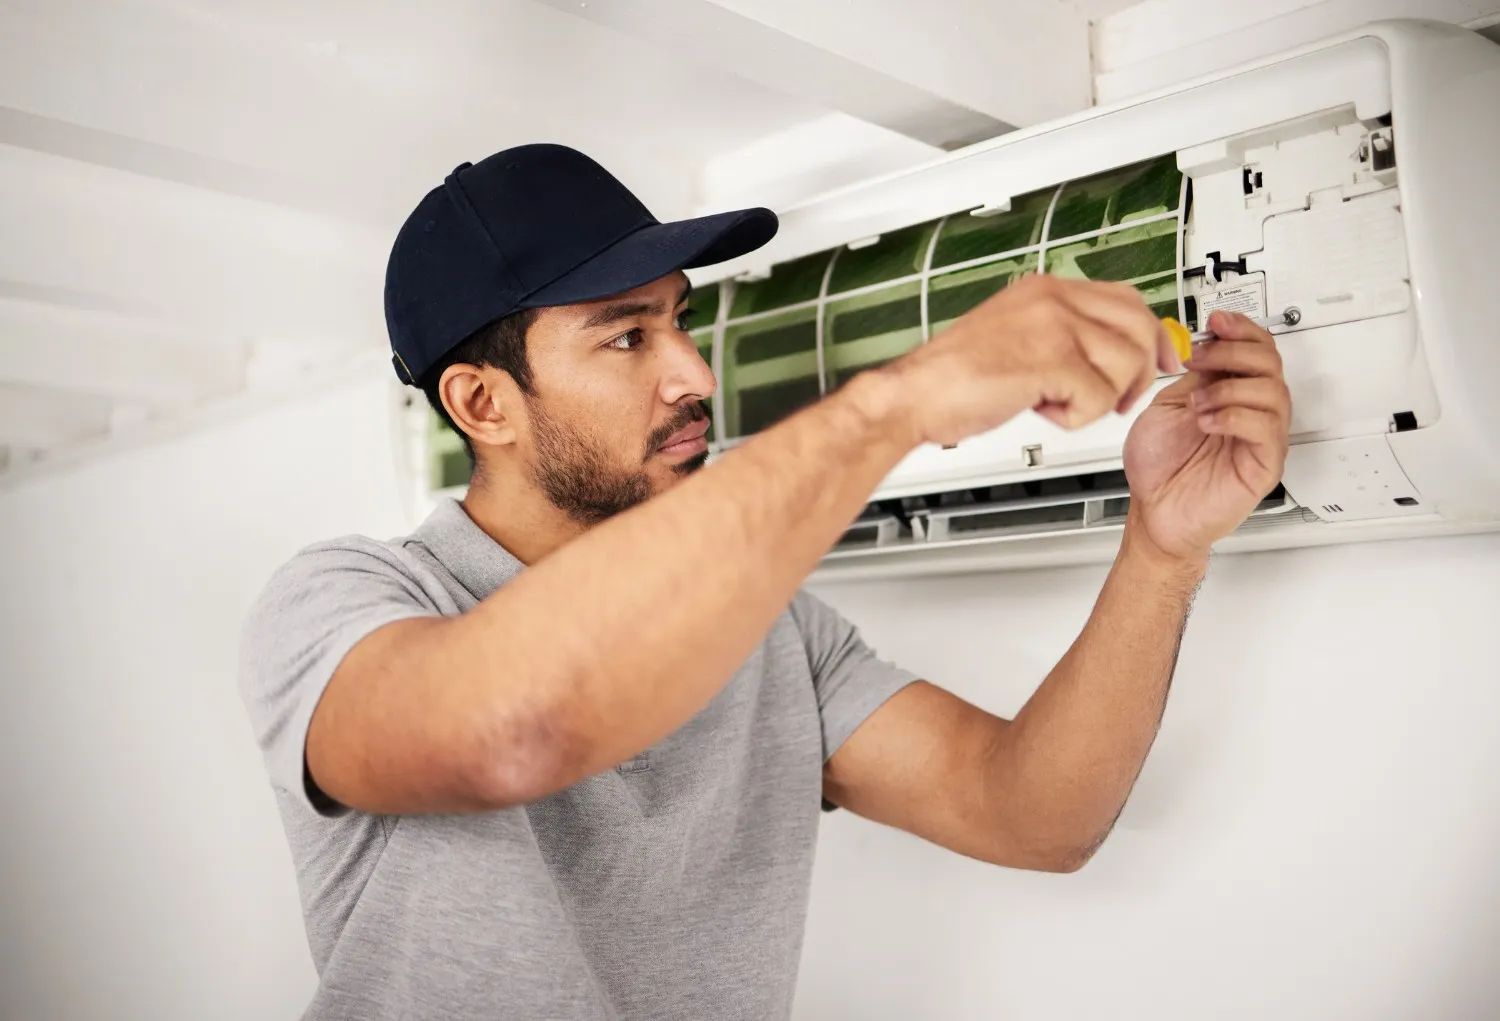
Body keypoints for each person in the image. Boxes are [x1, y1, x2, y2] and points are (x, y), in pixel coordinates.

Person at [239, 143, 1291, 1020]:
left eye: (679, 321)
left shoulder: (772, 633)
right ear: (483, 404)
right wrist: (899, 401)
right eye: (628, 336)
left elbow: (1034, 815)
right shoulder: (343, 601)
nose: (693, 373)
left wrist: (1163, 547)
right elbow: (512, 730)